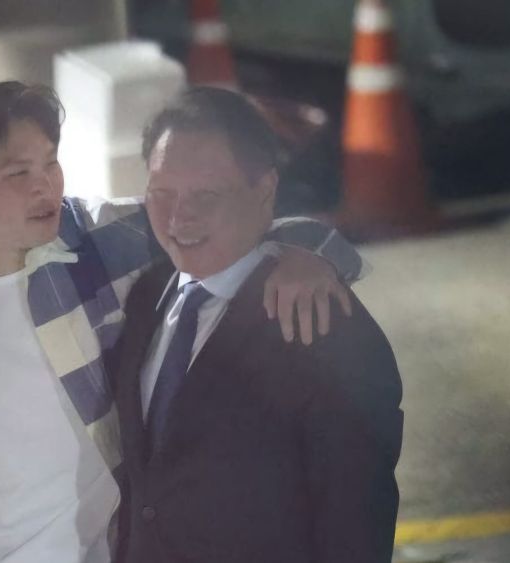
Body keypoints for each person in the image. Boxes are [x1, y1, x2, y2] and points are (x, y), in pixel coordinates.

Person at [0, 78, 365, 563]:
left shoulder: (97, 239)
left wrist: (309, 253)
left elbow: (235, 221)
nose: (46, 186)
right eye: (19, 174)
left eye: (51, 163)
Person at [111, 86, 403, 563]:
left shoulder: (323, 329)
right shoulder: (147, 295)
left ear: (265, 190)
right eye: (161, 193)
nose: (179, 216)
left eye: (206, 194)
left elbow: (355, 524)